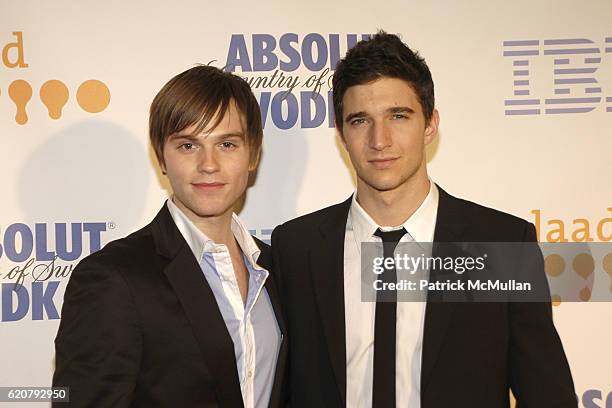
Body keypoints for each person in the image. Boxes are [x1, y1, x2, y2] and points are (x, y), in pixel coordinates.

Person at [271, 31, 576, 407]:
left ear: (430, 124)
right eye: (360, 120)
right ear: (341, 133)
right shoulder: (296, 249)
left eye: (398, 116)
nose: (379, 139)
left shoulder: (500, 246)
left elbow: (548, 395)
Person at [53, 65, 287, 408]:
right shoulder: (113, 279)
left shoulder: (276, 265)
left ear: (253, 153)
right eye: (188, 145)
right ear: (162, 156)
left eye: (227, 143)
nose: (209, 164)